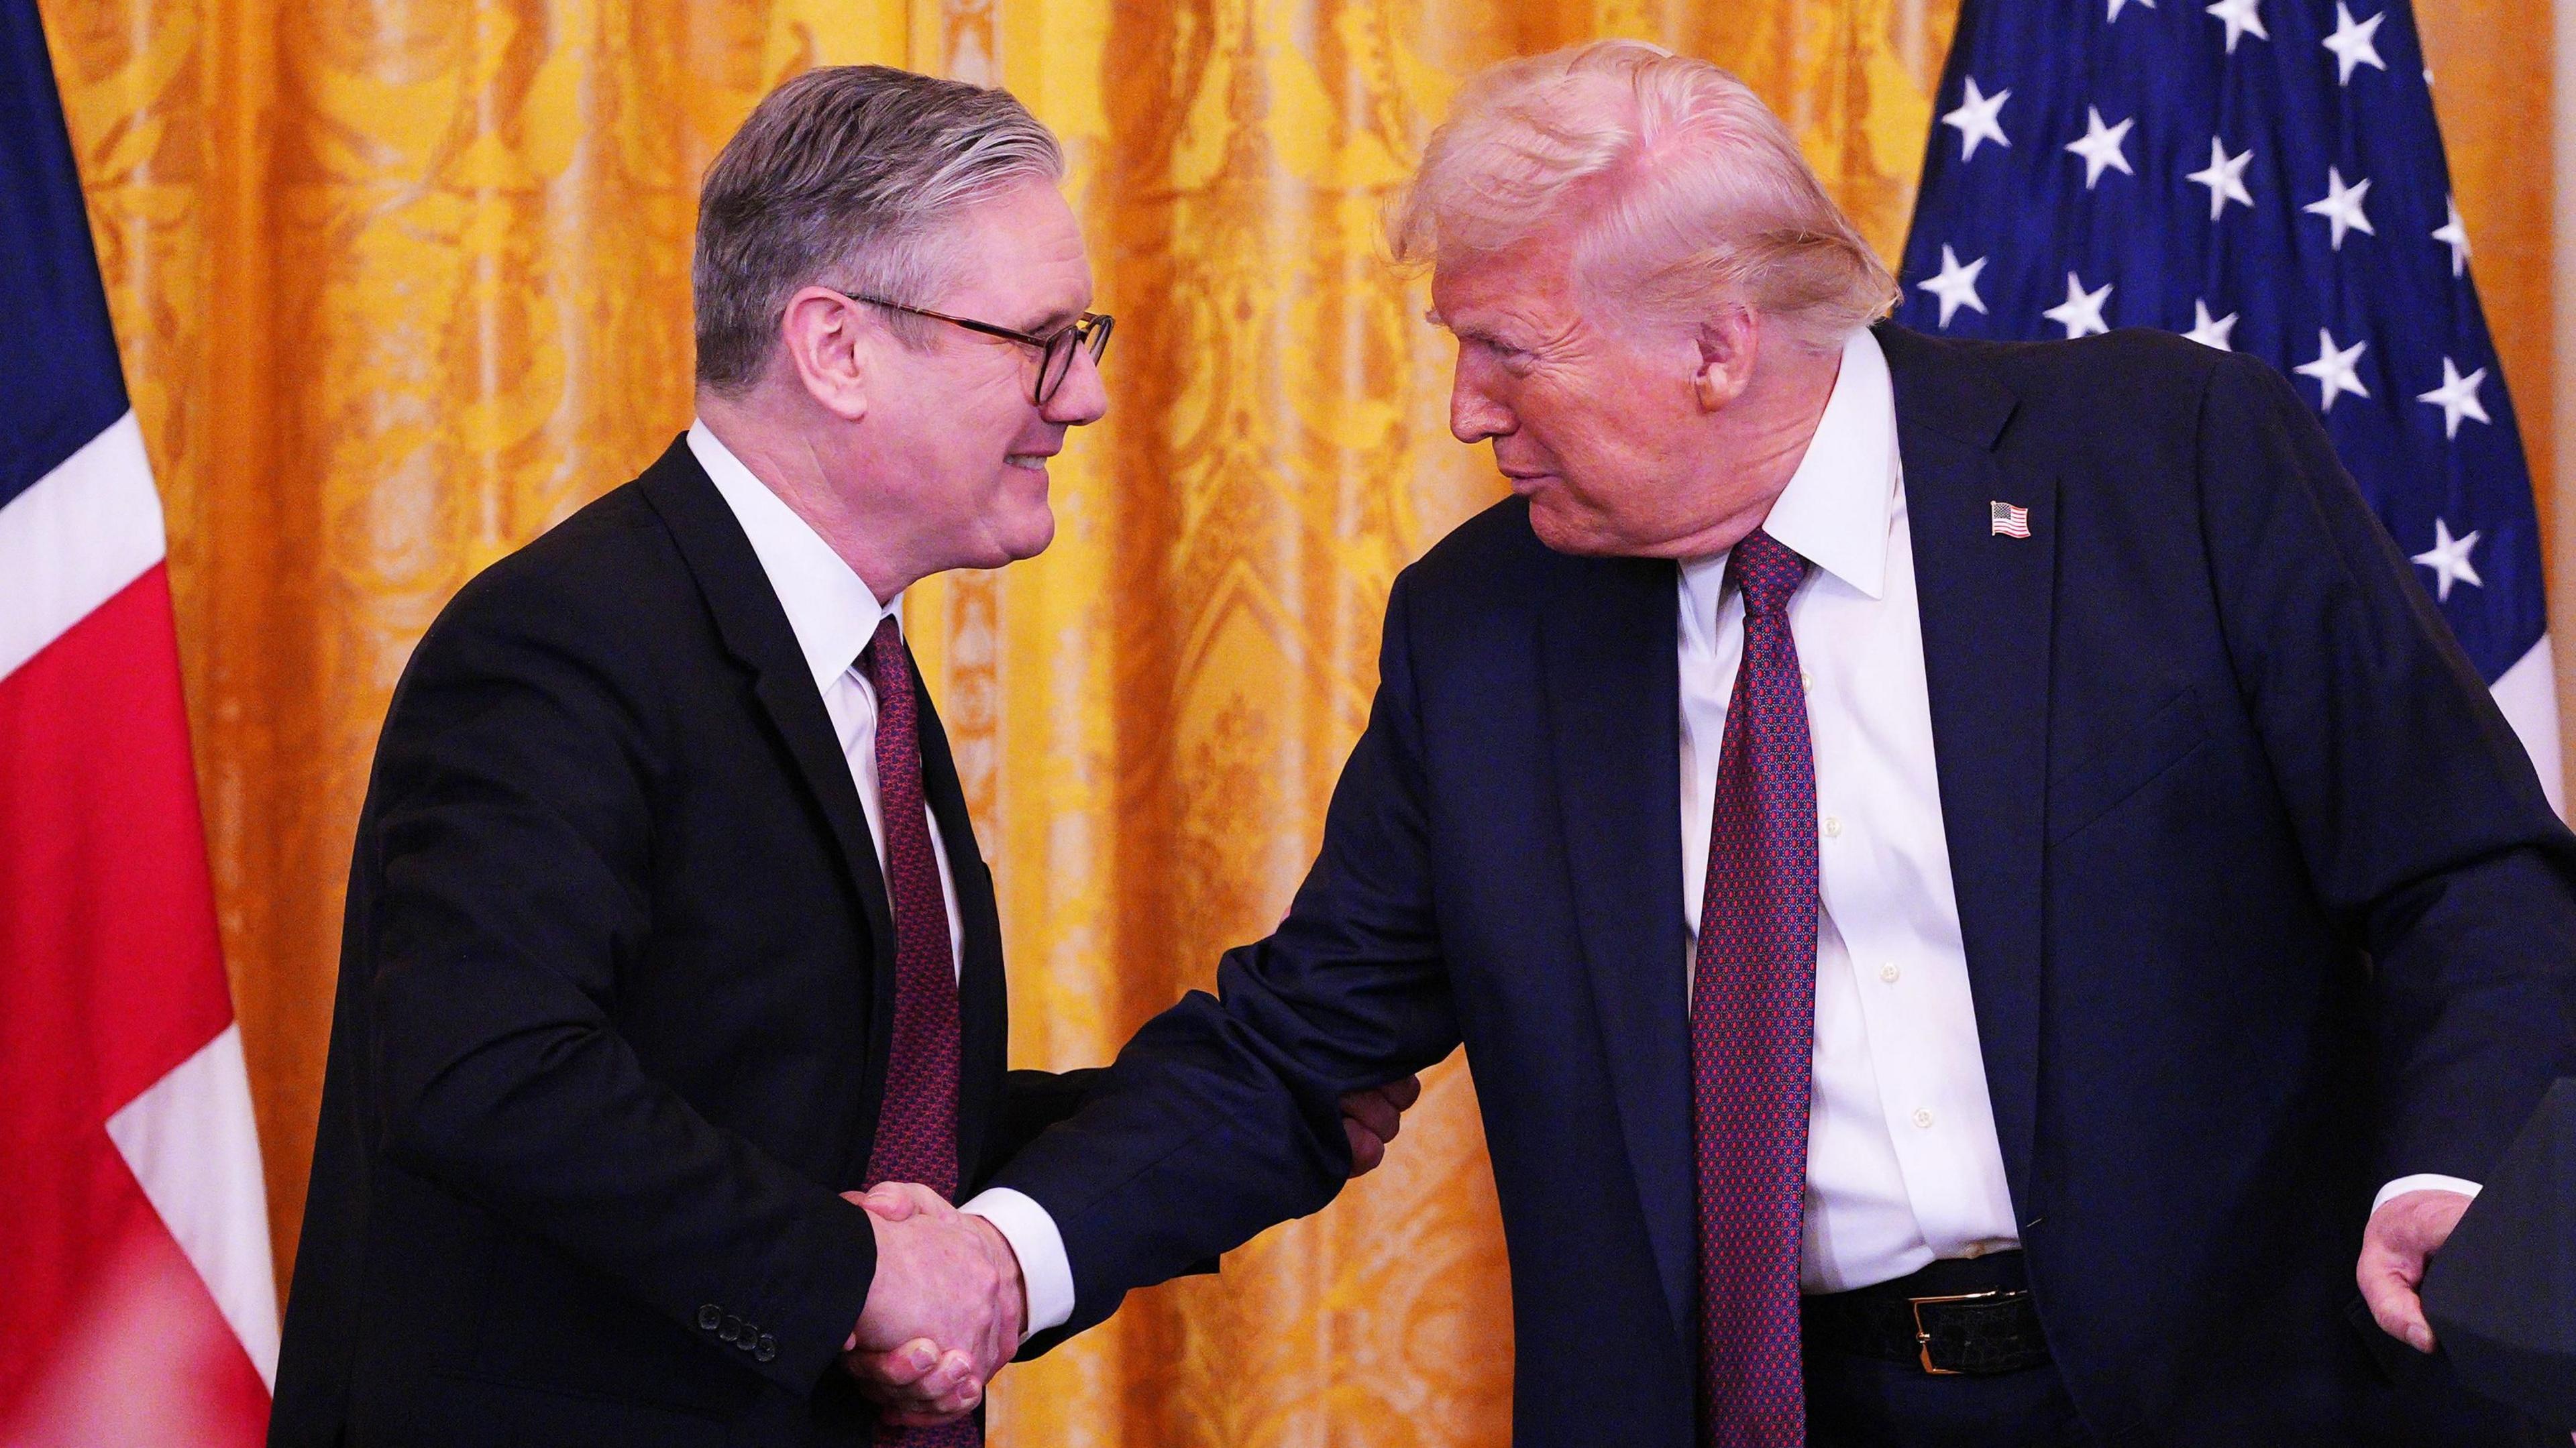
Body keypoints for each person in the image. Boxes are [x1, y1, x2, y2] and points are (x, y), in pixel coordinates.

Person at [951, 40, 2576, 1447]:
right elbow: (1300, 1046)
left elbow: (2464, 872)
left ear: (1718, 347)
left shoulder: (2165, 463)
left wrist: (2453, 1169)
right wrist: (1004, 1255)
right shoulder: (1486, 629)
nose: (1463, 409)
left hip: (2243, 1394)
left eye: (1506, 349)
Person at [267, 66, 1412, 1448]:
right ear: (838, 349)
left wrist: (1237, 1113)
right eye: (1044, 340)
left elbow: (844, 1123)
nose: (1091, 394)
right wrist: (864, 1275)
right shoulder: (564, 640)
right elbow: (491, 1072)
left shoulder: (854, 666)